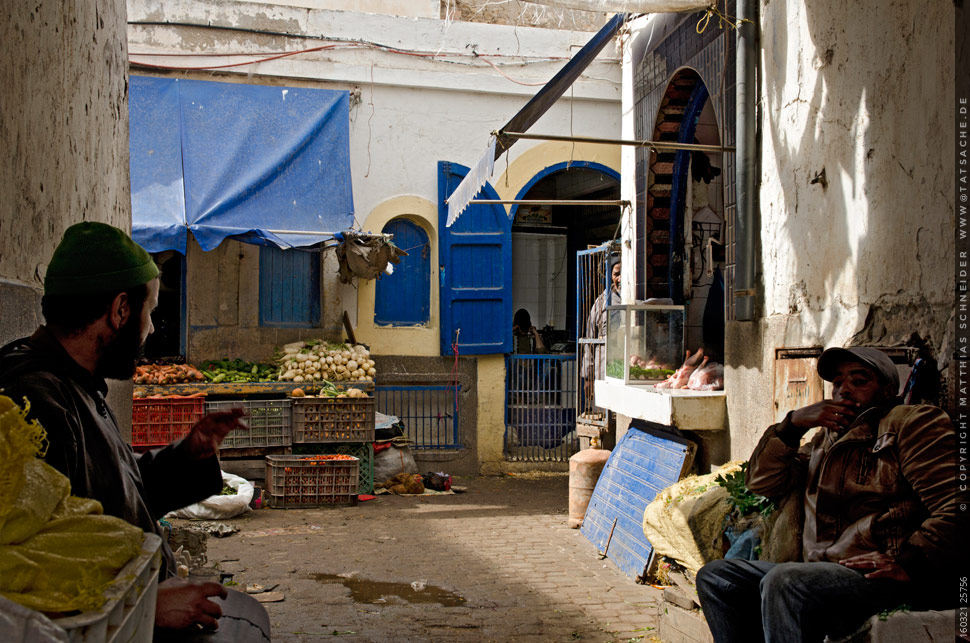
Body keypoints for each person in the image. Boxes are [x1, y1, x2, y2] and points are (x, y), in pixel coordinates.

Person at [0, 222, 268, 639]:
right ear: (120, 310)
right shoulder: (32, 404)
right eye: (150, 312)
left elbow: (107, 497)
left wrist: (188, 455)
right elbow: (32, 561)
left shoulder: (75, 384)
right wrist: (148, 605)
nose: (150, 329)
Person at [696, 347, 959, 643]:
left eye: (859, 382)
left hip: (876, 575)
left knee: (785, 581)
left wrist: (910, 561)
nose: (845, 390)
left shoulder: (910, 424)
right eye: (838, 383)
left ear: (887, 391)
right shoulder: (825, 439)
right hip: (821, 571)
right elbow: (761, 484)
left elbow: (956, 504)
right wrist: (791, 426)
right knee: (717, 577)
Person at [581, 254, 621, 404]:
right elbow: (589, 342)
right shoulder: (602, 303)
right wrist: (588, 377)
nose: (620, 278)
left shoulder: (635, 300)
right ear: (610, 276)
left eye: (624, 272)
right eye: (616, 274)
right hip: (603, 370)